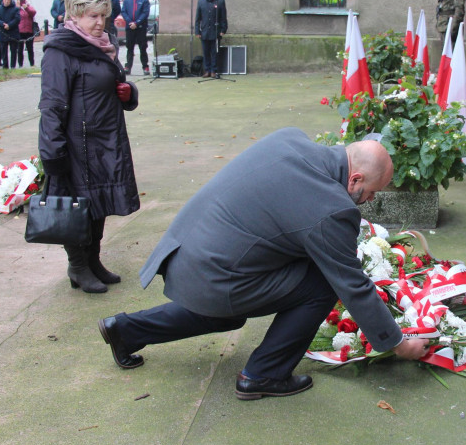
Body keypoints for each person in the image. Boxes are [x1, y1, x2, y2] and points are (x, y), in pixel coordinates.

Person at [96, 127, 429, 399]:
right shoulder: (332, 207)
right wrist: (398, 344)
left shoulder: (291, 138)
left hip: (189, 250)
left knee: (228, 315)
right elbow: (352, 286)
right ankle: (264, 374)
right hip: (213, 271)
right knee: (322, 283)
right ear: (355, 179)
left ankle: (125, 329)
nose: (370, 201)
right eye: (372, 192)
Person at [37, 0, 140, 294]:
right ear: (75, 13)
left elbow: (111, 85)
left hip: (105, 139)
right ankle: (77, 266)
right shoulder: (60, 50)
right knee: (76, 205)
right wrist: (53, 153)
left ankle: (93, 260)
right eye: (93, 15)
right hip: (76, 144)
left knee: (99, 202)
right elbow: (51, 105)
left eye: (104, 15)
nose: (100, 22)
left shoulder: (104, 45)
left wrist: (128, 94)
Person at [195, 0, 227, 78]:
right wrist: (197, 31)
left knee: (214, 52)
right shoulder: (201, 2)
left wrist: (223, 30)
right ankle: (207, 70)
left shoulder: (220, 1)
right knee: (206, 52)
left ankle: (214, 70)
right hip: (204, 32)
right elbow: (198, 18)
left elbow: (223, 17)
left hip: (215, 32)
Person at [121, 0, 151, 76]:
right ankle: (128, 67)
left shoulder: (144, 0)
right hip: (130, 28)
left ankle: (145, 66)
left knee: (143, 48)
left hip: (140, 28)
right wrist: (130, 22)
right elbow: (124, 12)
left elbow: (145, 13)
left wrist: (137, 23)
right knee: (129, 48)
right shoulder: (126, 0)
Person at [0, 0, 20, 69]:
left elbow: (17, 19)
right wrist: (2, 24)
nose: (6, 1)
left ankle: (13, 66)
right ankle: (5, 66)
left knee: (13, 51)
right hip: (3, 32)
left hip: (13, 32)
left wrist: (9, 25)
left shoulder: (15, 9)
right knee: (3, 51)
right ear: (3, 0)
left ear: (10, 0)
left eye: (8, 0)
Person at [17, 0, 37, 68]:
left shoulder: (28, 6)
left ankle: (32, 64)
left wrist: (26, 8)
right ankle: (20, 64)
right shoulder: (16, 8)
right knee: (19, 49)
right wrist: (18, 7)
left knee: (30, 48)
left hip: (29, 30)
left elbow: (33, 13)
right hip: (20, 31)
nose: (21, 0)